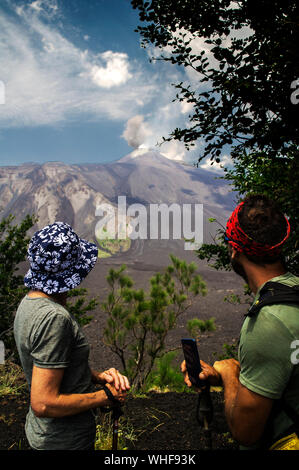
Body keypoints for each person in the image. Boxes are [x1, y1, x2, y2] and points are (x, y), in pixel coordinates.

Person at [181, 194, 299, 450]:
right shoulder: (294, 294)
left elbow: (245, 432)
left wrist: (229, 370)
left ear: (235, 249)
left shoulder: (270, 322)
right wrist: (226, 379)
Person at [14, 221, 130, 450]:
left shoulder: (29, 303)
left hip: (43, 434)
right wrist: (105, 396)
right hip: (62, 441)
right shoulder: (54, 319)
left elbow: (50, 368)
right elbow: (44, 403)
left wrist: (97, 377)